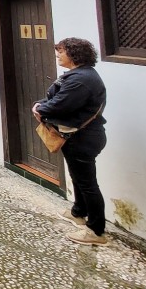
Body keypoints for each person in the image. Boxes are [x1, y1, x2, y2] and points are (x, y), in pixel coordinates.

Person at [33, 37, 108, 245]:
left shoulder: (81, 80)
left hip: (83, 138)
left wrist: (40, 109)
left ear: (74, 55)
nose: (58, 55)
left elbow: (59, 105)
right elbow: (56, 99)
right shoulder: (79, 76)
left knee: (87, 183)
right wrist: (41, 105)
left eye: (61, 51)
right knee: (78, 177)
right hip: (77, 137)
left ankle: (96, 231)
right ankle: (79, 212)